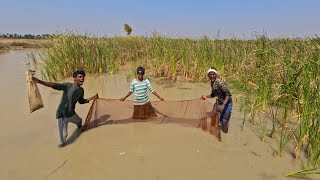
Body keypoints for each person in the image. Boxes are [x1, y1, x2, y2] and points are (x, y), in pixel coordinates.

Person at [32, 70, 98, 147]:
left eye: (83, 77)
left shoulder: (81, 90)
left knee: (80, 122)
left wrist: (92, 98)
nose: (82, 78)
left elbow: (81, 101)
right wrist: (39, 81)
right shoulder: (68, 86)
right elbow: (54, 85)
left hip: (71, 114)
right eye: (80, 77)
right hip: (61, 115)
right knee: (62, 141)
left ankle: (79, 132)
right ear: (74, 78)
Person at [201, 67, 232, 133]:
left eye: (213, 74)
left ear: (216, 75)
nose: (212, 76)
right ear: (208, 75)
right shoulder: (212, 83)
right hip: (218, 102)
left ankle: (225, 134)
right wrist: (206, 96)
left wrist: (223, 105)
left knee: (224, 122)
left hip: (227, 104)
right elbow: (213, 94)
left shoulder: (220, 83)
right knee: (213, 117)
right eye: (210, 74)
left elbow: (228, 95)